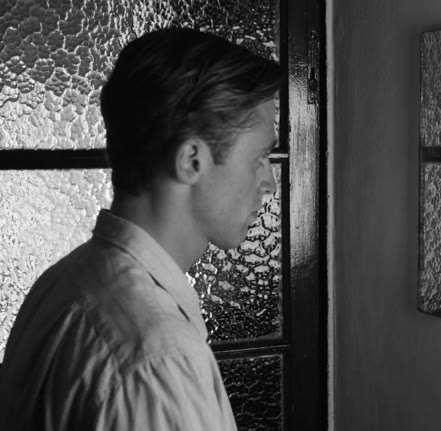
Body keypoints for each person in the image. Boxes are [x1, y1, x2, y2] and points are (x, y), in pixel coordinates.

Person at [0, 27, 280, 430]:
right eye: (259, 157)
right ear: (192, 160)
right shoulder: (159, 363)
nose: (269, 183)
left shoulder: (61, 284)